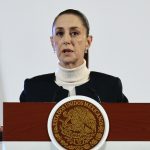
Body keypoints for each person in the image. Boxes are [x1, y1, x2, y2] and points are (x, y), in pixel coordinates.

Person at [20, 9, 128, 103]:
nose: (66, 40)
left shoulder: (110, 87)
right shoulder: (33, 88)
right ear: (52, 42)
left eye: (74, 33)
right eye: (60, 33)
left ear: (88, 42)